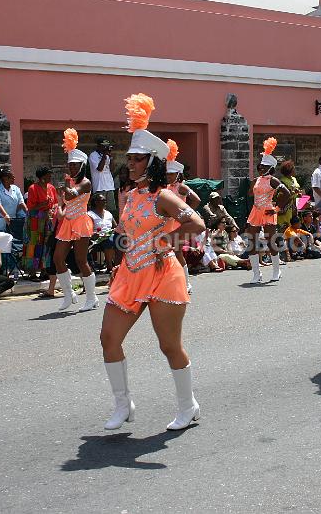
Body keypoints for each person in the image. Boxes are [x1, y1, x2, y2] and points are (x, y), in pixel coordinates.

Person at [100, 93, 205, 431]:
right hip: (130, 275)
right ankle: (123, 403)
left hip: (163, 276)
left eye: (137, 159)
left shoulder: (164, 197)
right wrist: (117, 258)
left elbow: (197, 224)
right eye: (129, 158)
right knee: (108, 339)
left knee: (168, 345)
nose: (129, 163)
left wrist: (165, 244)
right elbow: (124, 234)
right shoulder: (129, 197)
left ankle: (188, 405)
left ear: (153, 163)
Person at [54, 128, 97, 312]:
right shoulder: (70, 181)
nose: (71, 168)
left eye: (74, 165)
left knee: (81, 260)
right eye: (69, 165)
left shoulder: (85, 182)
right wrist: (59, 201)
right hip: (68, 222)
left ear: (82, 166)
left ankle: (92, 297)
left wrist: (64, 188)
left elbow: (71, 196)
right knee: (57, 258)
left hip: (81, 221)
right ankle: (69, 294)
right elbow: (64, 202)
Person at [246, 138, 291, 283]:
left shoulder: (273, 180)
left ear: (271, 168)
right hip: (255, 211)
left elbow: (287, 194)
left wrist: (276, 208)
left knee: (271, 241)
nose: (261, 169)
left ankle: (277, 271)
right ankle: (256, 274)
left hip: (267, 211)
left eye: (264, 167)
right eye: (260, 166)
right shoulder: (257, 179)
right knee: (251, 241)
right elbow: (250, 193)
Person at [165, 140, 201, 293]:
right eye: (167, 174)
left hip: (179, 224)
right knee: (168, 252)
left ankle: (186, 284)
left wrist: (185, 215)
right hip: (168, 223)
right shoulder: (166, 187)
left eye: (171, 174)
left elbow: (197, 200)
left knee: (177, 252)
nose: (168, 176)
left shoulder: (182, 187)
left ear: (178, 174)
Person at [24, 166, 57, 281]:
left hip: (48, 219)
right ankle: (32, 273)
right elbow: (30, 208)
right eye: (48, 174)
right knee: (34, 244)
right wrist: (43, 204)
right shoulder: (33, 188)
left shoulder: (52, 188)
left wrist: (53, 209)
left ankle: (44, 271)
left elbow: (55, 203)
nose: (50, 177)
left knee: (46, 245)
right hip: (35, 220)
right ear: (42, 177)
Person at [87, 193, 117, 273]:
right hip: (95, 238)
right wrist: (95, 233)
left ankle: (118, 264)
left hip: (108, 235)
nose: (105, 202)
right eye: (102, 200)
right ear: (96, 202)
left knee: (119, 239)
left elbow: (115, 226)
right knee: (109, 241)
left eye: (105, 200)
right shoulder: (90, 214)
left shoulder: (108, 213)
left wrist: (113, 231)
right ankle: (109, 266)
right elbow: (88, 230)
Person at [89, 137, 117, 217]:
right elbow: (99, 168)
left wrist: (110, 156)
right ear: (98, 146)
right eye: (104, 146)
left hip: (109, 186)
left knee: (111, 210)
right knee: (100, 209)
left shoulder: (107, 155)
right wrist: (104, 156)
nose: (105, 148)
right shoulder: (93, 155)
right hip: (99, 187)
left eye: (107, 146)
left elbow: (112, 169)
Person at [278, 160, 301, 230]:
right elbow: (281, 196)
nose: (295, 170)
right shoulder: (282, 181)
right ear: (290, 170)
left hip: (294, 206)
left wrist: (298, 195)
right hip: (286, 206)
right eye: (293, 168)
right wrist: (293, 193)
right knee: (285, 226)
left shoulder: (294, 179)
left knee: (294, 226)